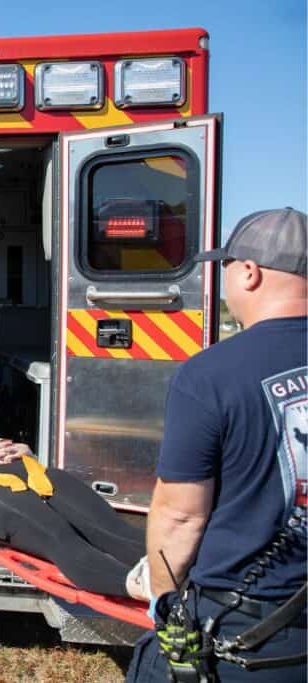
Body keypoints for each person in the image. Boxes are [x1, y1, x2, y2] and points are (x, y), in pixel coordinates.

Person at [126, 208, 307, 682]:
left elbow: (181, 515)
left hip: (249, 632)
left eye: (225, 267)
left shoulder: (211, 375)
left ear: (249, 272)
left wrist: (164, 606)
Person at [0, 420, 148, 599]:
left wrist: (27, 451)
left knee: (108, 528)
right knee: (59, 537)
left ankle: (175, 568)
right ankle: (142, 586)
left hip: (34, 475)